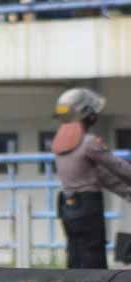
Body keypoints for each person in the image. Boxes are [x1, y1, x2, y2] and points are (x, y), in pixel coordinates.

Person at [52, 87, 131, 269]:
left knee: (75, 253)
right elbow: (119, 168)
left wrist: (126, 192)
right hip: (88, 205)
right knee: (93, 255)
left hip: (66, 204)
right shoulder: (89, 142)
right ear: (86, 114)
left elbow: (99, 175)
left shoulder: (60, 144)